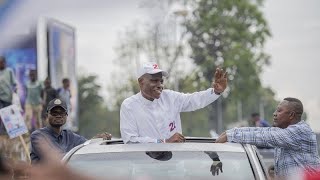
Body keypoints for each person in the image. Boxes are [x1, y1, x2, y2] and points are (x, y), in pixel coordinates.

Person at [120, 62, 228, 144]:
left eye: (161, 81)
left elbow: (194, 100)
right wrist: (163, 142)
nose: (160, 85)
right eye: (154, 80)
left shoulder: (169, 97)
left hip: (175, 165)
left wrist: (216, 92)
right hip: (145, 168)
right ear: (141, 81)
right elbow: (130, 140)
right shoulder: (129, 105)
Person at [215, 97, 320, 178]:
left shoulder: (300, 131)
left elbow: (266, 136)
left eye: (279, 111)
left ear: (291, 115)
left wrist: (231, 135)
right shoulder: (284, 131)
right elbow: (264, 131)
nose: (274, 114)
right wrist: (231, 132)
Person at [30, 98, 112, 164]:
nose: (58, 116)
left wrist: (97, 140)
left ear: (66, 115)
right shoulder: (38, 136)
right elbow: (55, 158)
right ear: (47, 115)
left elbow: (86, 146)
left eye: (62, 113)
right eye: (54, 113)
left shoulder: (70, 136)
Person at [0, 56, 17, 134]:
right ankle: (1, 131)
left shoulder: (9, 71)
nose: (1, 64)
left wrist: (14, 92)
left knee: (7, 115)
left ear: (4, 63)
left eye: (2, 62)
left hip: (7, 97)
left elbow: (14, 84)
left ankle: (8, 131)